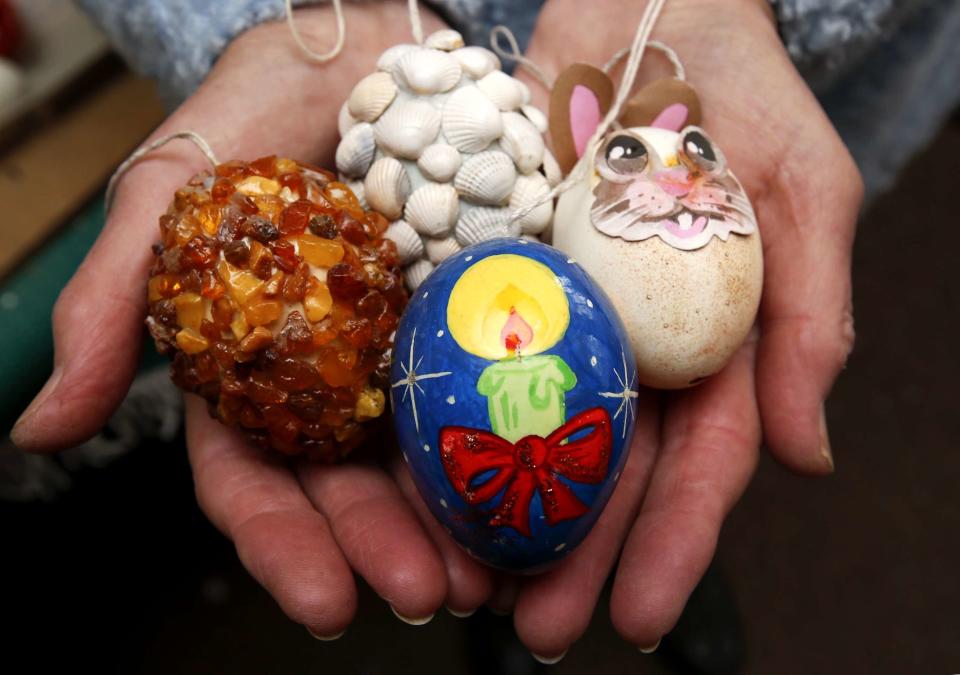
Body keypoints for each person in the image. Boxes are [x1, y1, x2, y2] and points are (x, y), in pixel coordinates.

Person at [10, 0, 960, 664]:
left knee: (671, 470)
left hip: (809, 59)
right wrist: (263, 14)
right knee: (536, 526)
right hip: (405, 84)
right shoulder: (417, 172)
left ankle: (567, 537)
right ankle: (519, 565)